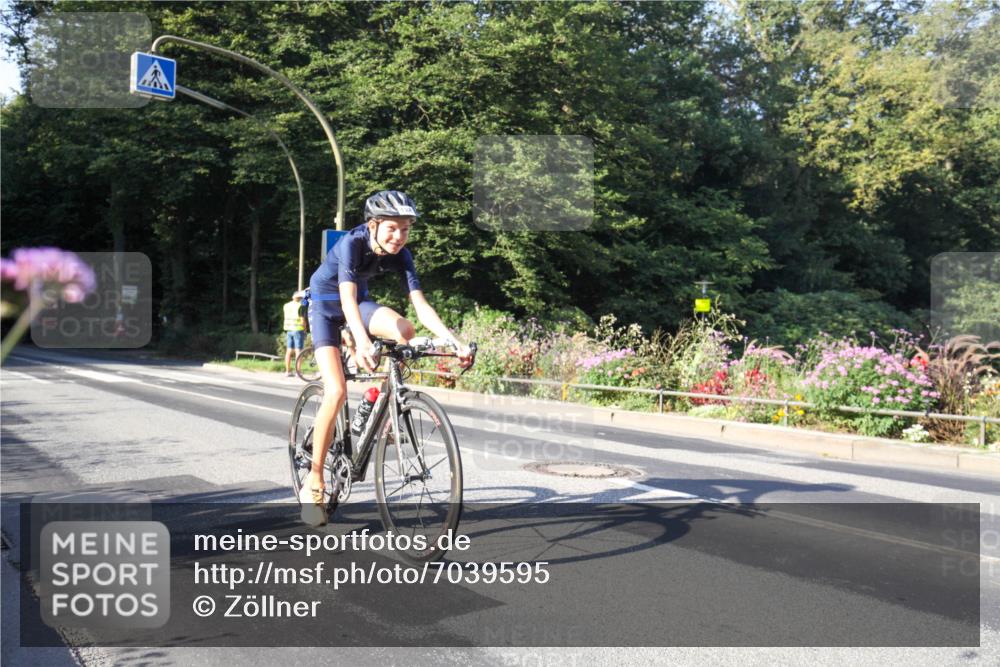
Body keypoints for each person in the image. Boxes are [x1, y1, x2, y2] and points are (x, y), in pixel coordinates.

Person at [299, 190, 472, 526]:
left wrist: (455, 342)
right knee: (334, 392)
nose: (399, 236)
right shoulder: (352, 243)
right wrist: (361, 341)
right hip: (326, 307)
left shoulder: (402, 254)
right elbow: (346, 299)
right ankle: (315, 481)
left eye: (405, 229)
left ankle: (377, 400)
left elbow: (421, 306)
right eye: (392, 228)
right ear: (373, 224)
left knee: (403, 330)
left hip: (358, 306)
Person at [282, 291, 306, 377]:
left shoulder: (286, 305)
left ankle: (287, 371)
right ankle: (298, 372)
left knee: (289, 350)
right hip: (298, 329)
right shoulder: (301, 306)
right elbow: (302, 320)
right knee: (298, 351)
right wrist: (305, 329)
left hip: (289, 330)